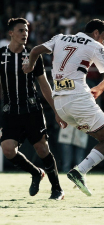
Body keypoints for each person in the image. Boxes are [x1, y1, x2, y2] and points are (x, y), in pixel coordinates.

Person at [23, 19, 104, 196]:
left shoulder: (60, 38)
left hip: (60, 104)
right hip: (79, 99)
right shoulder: (94, 45)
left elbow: (36, 50)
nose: (103, 42)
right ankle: (79, 171)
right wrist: (99, 89)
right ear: (95, 33)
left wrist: (30, 66)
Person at [0, 18, 66, 200]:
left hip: (32, 110)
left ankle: (57, 189)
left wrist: (56, 111)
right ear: (11, 33)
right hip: (10, 110)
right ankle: (36, 172)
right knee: (7, 149)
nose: (25, 34)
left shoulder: (33, 56)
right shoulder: (1, 56)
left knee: (42, 149)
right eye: (21, 30)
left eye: (27, 31)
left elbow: (44, 85)